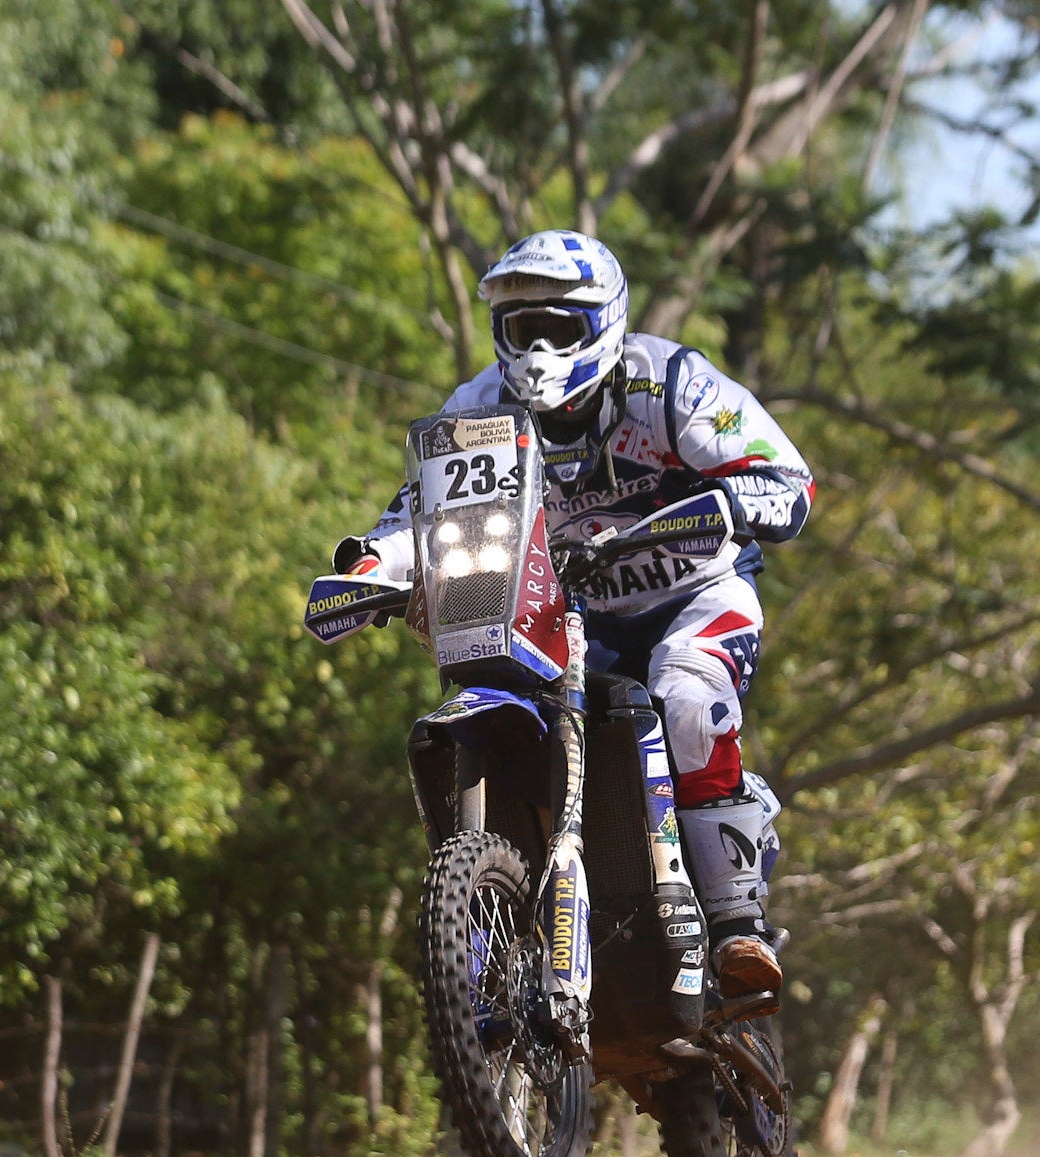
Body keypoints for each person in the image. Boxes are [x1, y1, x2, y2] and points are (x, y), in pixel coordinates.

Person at [331, 229, 814, 996]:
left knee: (687, 694)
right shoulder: (479, 410)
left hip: (695, 593)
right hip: (570, 612)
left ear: (604, 323)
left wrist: (729, 502)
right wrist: (367, 568)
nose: (538, 349)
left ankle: (735, 923)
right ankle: (503, 920)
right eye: (523, 328)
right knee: (504, 701)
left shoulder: (670, 384)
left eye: (558, 328)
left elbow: (785, 476)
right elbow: (414, 516)